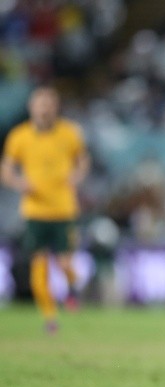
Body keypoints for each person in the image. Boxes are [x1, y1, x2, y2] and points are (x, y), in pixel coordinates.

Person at [1, 86, 90, 333]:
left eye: (49, 104)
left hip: (63, 209)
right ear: (32, 108)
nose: (44, 109)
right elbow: (6, 169)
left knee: (63, 263)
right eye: (40, 104)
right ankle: (50, 318)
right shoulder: (19, 136)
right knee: (38, 266)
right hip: (35, 211)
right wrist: (19, 183)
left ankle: (72, 287)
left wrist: (77, 176)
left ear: (56, 107)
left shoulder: (69, 133)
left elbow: (83, 160)